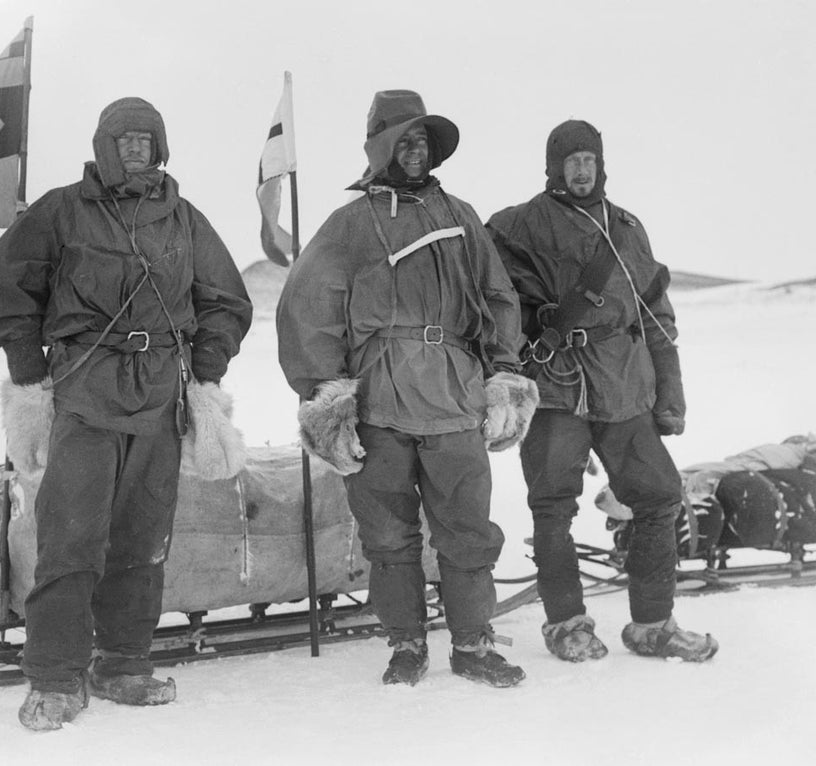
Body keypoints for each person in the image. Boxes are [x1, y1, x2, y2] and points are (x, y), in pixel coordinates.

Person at [0, 97, 252, 730]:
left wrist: (207, 368)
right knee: (70, 539)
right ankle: (56, 676)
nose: (135, 148)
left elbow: (226, 300)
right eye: (122, 139)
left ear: (161, 145)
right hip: (84, 392)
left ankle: (123, 664)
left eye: (146, 138)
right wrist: (28, 365)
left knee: (143, 541)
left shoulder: (183, 218)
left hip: (158, 399)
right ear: (102, 146)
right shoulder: (62, 211)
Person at [276, 90, 538, 688]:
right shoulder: (347, 226)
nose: (415, 152)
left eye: (423, 141)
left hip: (454, 397)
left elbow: (498, 297)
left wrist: (501, 374)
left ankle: (473, 644)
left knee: (468, 531)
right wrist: (325, 398)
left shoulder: (462, 216)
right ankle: (406, 644)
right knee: (389, 536)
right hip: (380, 402)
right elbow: (307, 310)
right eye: (404, 140)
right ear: (379, 147)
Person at [485, 119, 718, 663]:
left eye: (590, 159)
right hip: (557, 384)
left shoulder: (627, 227)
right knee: (552, 508)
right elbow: (491, 301)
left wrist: (670, 390)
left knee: (659, 496)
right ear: (554, 166)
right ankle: (567, 625)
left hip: (623, 385)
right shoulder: (517, 226)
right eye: (572, 161)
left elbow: (657, 314)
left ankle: (653, 625)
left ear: (602, 163)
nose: (582, 169)